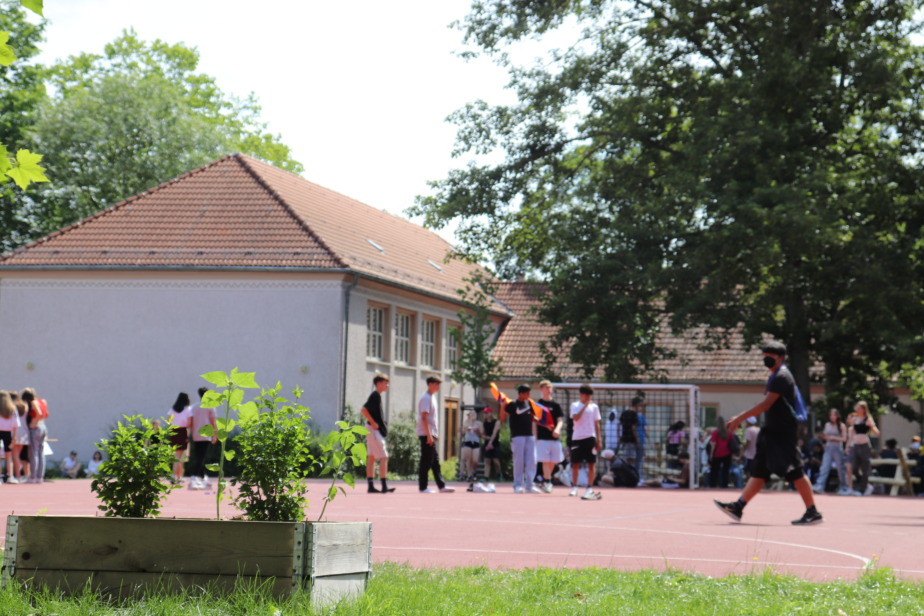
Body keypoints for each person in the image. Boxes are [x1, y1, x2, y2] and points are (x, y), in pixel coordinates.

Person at [714, 341, 822, 525]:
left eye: (770, 356)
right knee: (759, 470)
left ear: (781, 358)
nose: (766, 359)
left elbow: (766, 404)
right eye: (764, 356)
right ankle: (738, 507)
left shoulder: (782, 377)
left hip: (782, 433)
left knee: (795, 471)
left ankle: (812, 512)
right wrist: (742, 417)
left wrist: (740, 418)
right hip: (771, 432)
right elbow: (766, 405)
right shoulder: (775, 376)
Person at [417, 375, 454, 493]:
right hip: (426, 434)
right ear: (429, 384)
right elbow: (424, 418)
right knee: (426, 461)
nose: (438, 386)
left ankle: (441, 486)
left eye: (439, 384)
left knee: (435, 461)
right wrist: (429, 435)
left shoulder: (432, 397)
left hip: (430, 434)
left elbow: (431, 419)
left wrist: (434, 434)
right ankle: (423, 487)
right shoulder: (426, 398)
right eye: (436, 384)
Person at [361, 373, 395, 493]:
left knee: (371, 457)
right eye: (385, 383)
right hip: (373, 430)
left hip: (370, 429)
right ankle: (384, 485)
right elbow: (364, 410)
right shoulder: (375, 396)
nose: (387, 385)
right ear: (379, 383)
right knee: (384, 456)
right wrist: (373, 423)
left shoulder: (376, 396)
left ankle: (371, 486)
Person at [569, 384, 602, 500]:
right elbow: (575, 418)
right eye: (586, 395)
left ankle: (589, 488)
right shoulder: (575, 405)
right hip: (577, 438)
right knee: (575, 464)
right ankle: (574, 487)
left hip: (590, 438)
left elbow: (597, 424)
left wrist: (599, 439)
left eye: (590, 395)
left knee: (591, 464)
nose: (588, 397)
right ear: (581, 394)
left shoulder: (594, 407)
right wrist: (584, 406)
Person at [505, 384, 540, 494]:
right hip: (517, 436)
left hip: (529, 435)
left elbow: (533, 417)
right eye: (527, 393)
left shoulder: (529, 403)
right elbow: (503, 417)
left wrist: (544, 422)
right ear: (521, 393)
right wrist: (502, 405)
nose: (529, 395)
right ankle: (517, 485)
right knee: (519, 461)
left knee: (532, 461)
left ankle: (530, 485)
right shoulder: (512, 404)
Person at [535, 380, 565, 493]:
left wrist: (557, 429)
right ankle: (548, 482)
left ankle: (546, 479)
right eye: (546, 387)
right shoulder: (538, 404)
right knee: (545, 461)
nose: (549, 389)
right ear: (541, 389)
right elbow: (535, 421)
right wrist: (535, 436)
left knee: (554, 461)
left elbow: (560, 420)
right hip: (542, 437)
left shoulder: (556, 405)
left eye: (550, 387)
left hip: (555, 438)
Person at [847, 400, 879, 496]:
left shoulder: (868, 419)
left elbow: (876, 432)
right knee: (854, 468)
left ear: (864, 409)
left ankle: (861, 489)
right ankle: (866, 485)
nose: (857, 409)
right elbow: (852, 434)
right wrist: (848, 445)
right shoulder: (855, 419)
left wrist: (872, 427)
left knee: (865, 468)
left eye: (859, 408)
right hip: (856, 445)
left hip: (865, 445)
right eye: (856, 408)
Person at [813, 409, 848, 494]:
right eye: (831, 415)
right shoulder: (827, 425)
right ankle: (820, 485)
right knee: (824, 467)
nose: (832, 417)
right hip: (828, 448)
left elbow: (844, 439)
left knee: (840, 469)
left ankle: (843, 486)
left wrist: (833, 438)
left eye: (834, 415)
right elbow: (826, 436)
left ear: (837, 416)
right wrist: (822, 436)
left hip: (837, 449)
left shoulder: (841, 425)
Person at [188, 387, 218, 490]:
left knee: (199, 457)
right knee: (201, 458)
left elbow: (190, 422)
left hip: (196, 435)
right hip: (206, 435)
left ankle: (203, 477)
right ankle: (193, 476)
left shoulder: (193, 407)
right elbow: (213, 422)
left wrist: (190, 433)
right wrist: (215, 435)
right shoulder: (210, 406)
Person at [21, 387, 49, 484]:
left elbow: (39, 413)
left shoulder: (33, 402)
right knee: (41, 453)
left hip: (36, 427)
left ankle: (33, 477)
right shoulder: (43, 401)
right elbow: (46, 414)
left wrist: (34, 422)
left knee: (33, 453)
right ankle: (40, 476)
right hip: (43, 426)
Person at [167, 392, 193, 484]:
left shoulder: (172, 409)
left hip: (173, 431)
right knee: (179, 456)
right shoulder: (188, 409)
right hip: (182, 431)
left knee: (176, 455)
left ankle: (177, 476)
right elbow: (189, 423)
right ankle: (174, 476)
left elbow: (168, 420)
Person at [619, 397, 642, 481]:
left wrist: (619, 437)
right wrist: (637, 439)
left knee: (627, 458)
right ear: (636, 405)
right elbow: (633, 428)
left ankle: (628, 476)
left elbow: (619, 425)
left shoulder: (624, 413)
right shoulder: (634, 414)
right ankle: (631, 477)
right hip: (631, 439)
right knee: (631, 459)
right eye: (640, 405)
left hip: (624, 439)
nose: (641, 408)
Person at [709, 416, 734, 488]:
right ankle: (724, 485)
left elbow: (713, 444)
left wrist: (711, 454)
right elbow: (731, 442)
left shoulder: (715, 432)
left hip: (717, 453)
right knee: (725, 470)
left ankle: (713, 485)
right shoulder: (728, 432)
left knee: (714, 471)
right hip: (727, 453)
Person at [0, 391, 19, 483]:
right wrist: (14, 436)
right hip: (8, 432)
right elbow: (16, 424)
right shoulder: (12, 408)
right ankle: (10, 476)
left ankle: (0, 477)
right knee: (8, 456)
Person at [459, 410, 484, 483]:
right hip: (468, 441)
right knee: (468, 459)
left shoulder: (479, 423)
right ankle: (469, 475)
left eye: (474, 413)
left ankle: (474, 471)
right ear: (469, 415)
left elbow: (481, 434)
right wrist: (469, 424)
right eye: (471, 414)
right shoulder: (466, 422)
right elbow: (464, 431)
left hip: (476, 442)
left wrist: (478, 429)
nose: (473, 415)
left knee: (475, 460)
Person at [10, 392, 29, 482]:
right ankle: (24, 475)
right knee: (19, 455)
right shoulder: (24, 406)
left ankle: (17, 476)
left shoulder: (12, 407)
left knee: (15, 456)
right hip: (24, 431)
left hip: (16, 430)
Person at [481, 407, 502, 480]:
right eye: (484, 413)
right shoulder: (484, 423)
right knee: (487, 461)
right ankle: (486, 477)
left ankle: (499, 474)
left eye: (487, 413)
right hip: (487, 443)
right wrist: (486, 438)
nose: (485, 414)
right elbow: (482, 434)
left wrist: (491, 442)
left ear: (491, 413)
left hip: (495, 443)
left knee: (496, 461)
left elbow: (494, 433)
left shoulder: (497, 422)